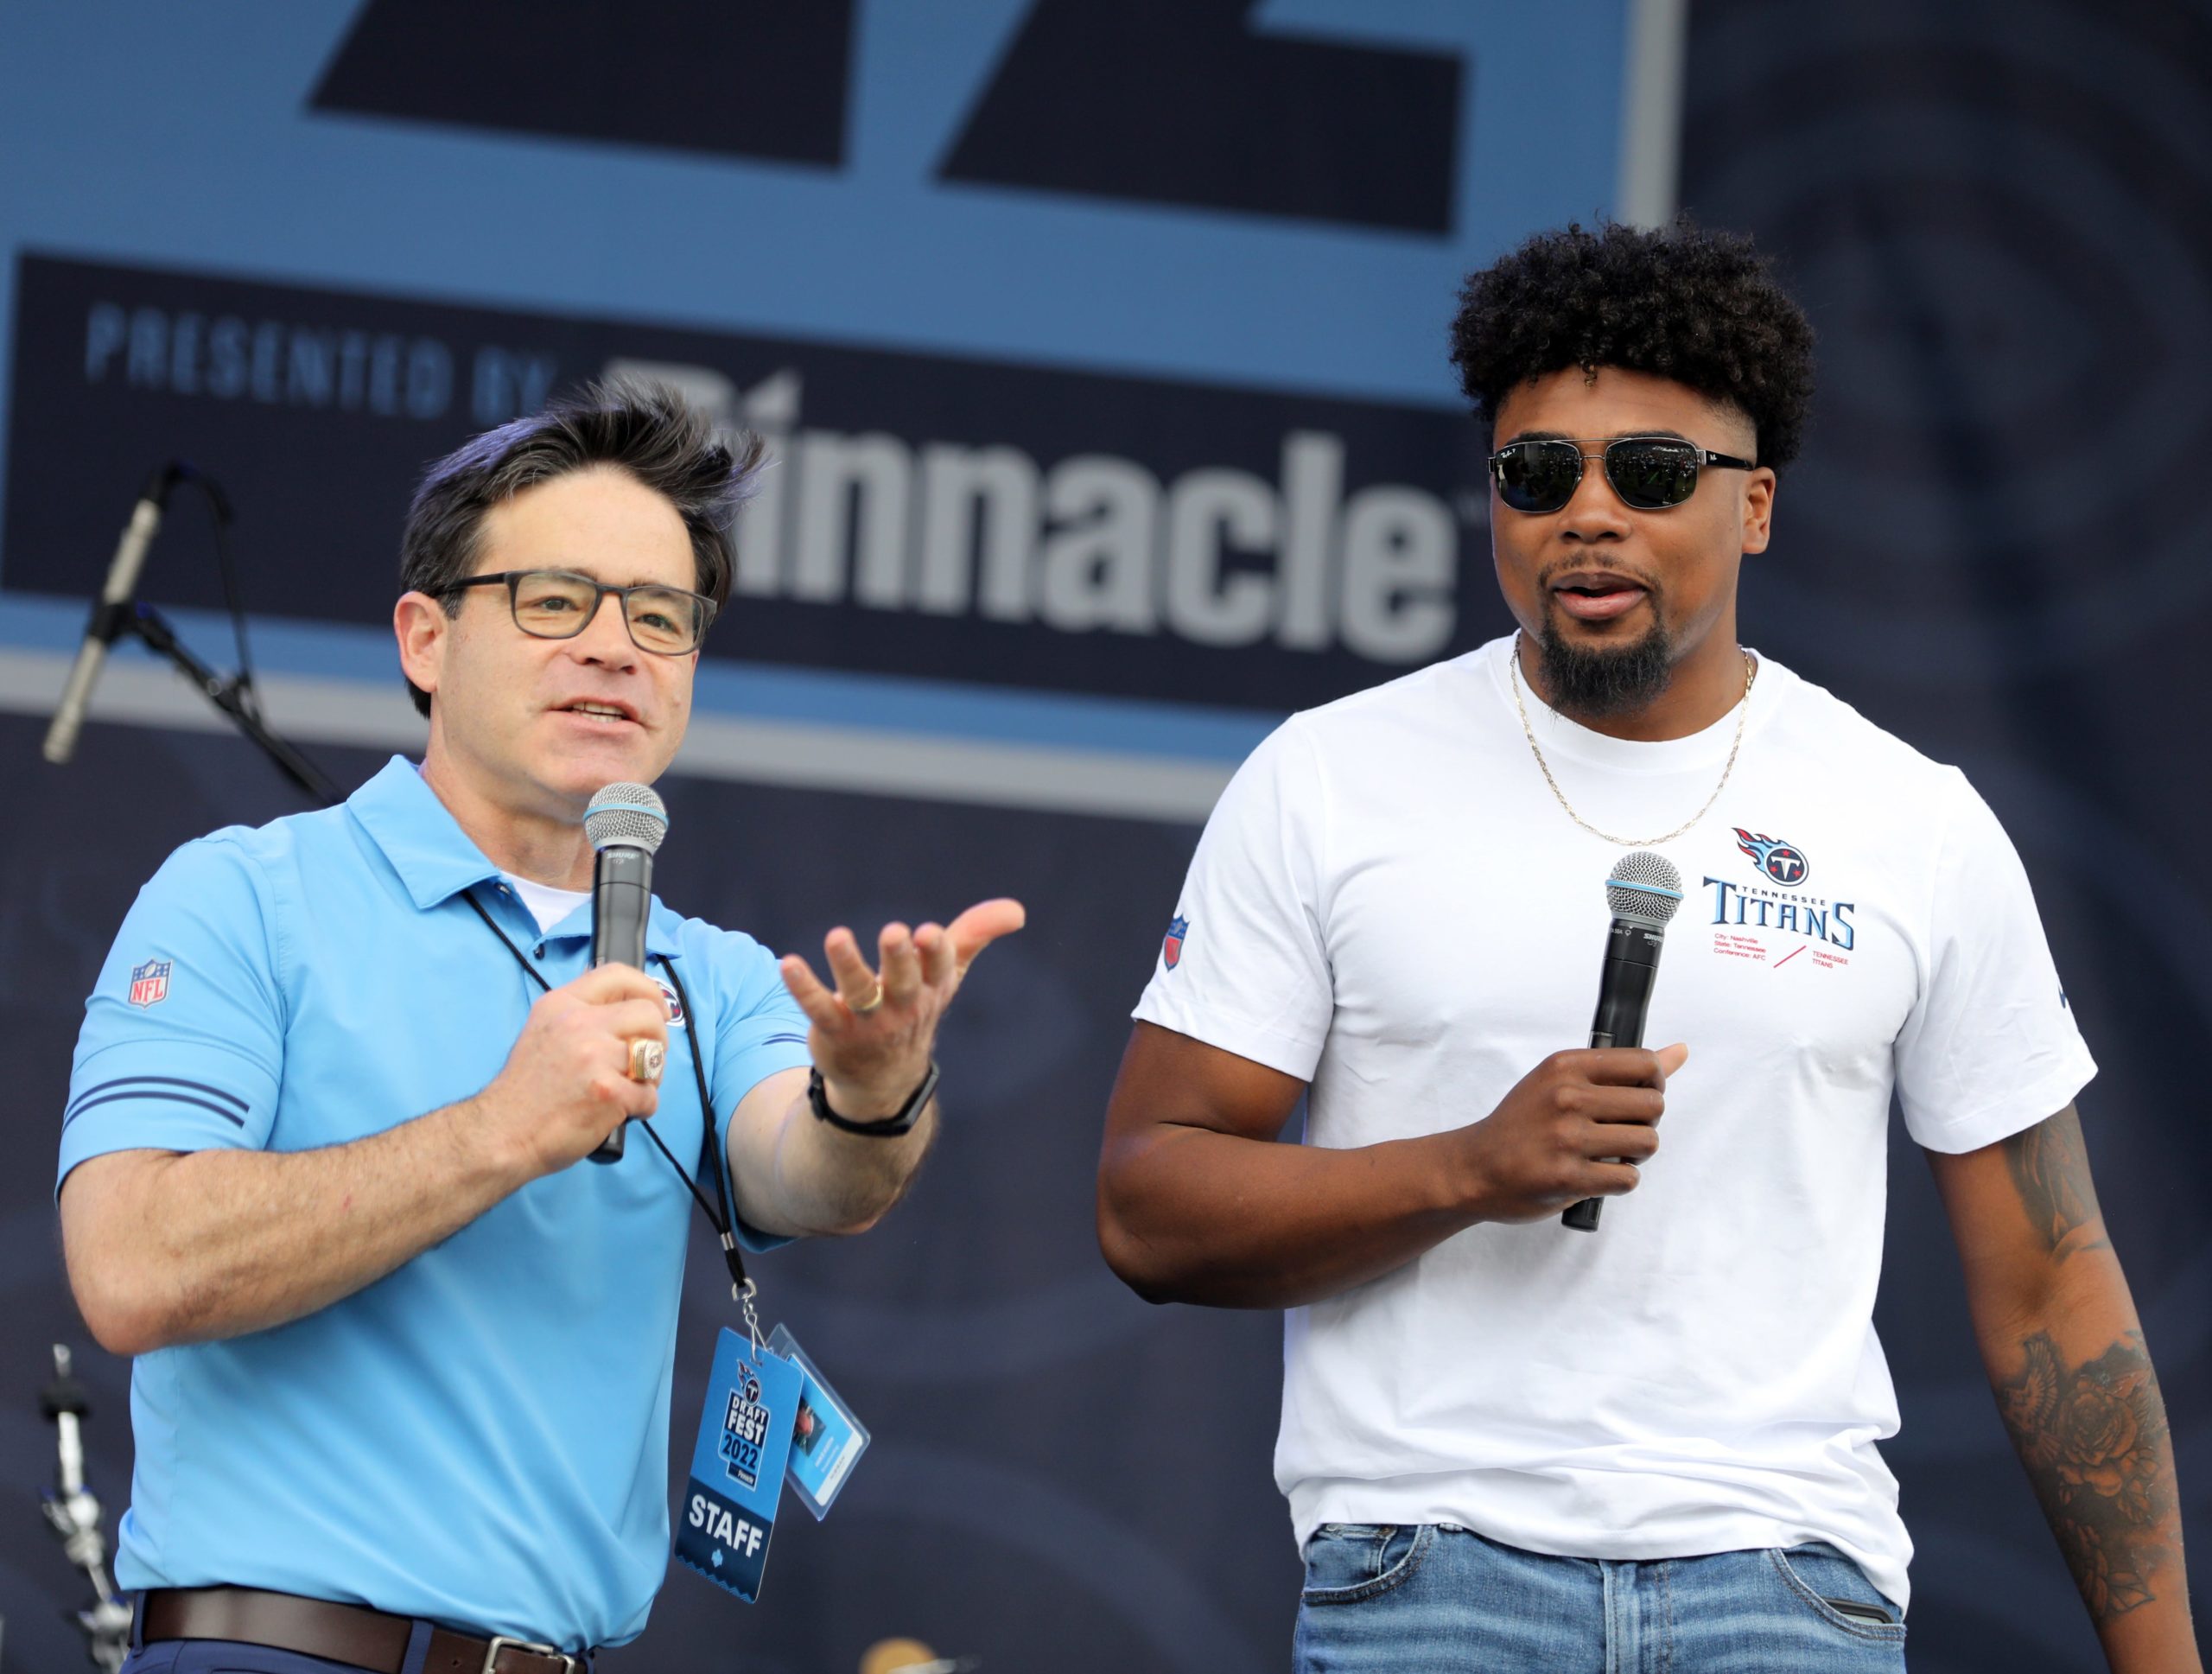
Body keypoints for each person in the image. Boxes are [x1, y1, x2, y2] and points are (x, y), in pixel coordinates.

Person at [1096, 221, 2198, 1672]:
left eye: (1655, 471)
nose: (1589, 514)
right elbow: (1148, 1206)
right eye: (1539, 472)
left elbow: (2052, 1285)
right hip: (1434, 1568)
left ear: (1756, 506)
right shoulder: (1329, 778)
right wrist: (1468, 1168)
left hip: (1788, 1584)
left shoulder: (1911, 821)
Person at [57, 381, 1023, 1673]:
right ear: (426, 639)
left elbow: (817, 1178)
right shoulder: (247, 895)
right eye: (556, 600)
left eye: (661, 616)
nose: (616, 647)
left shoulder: (714, 976)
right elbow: (129, 1267)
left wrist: (874, 1092)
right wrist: (504, 1127)